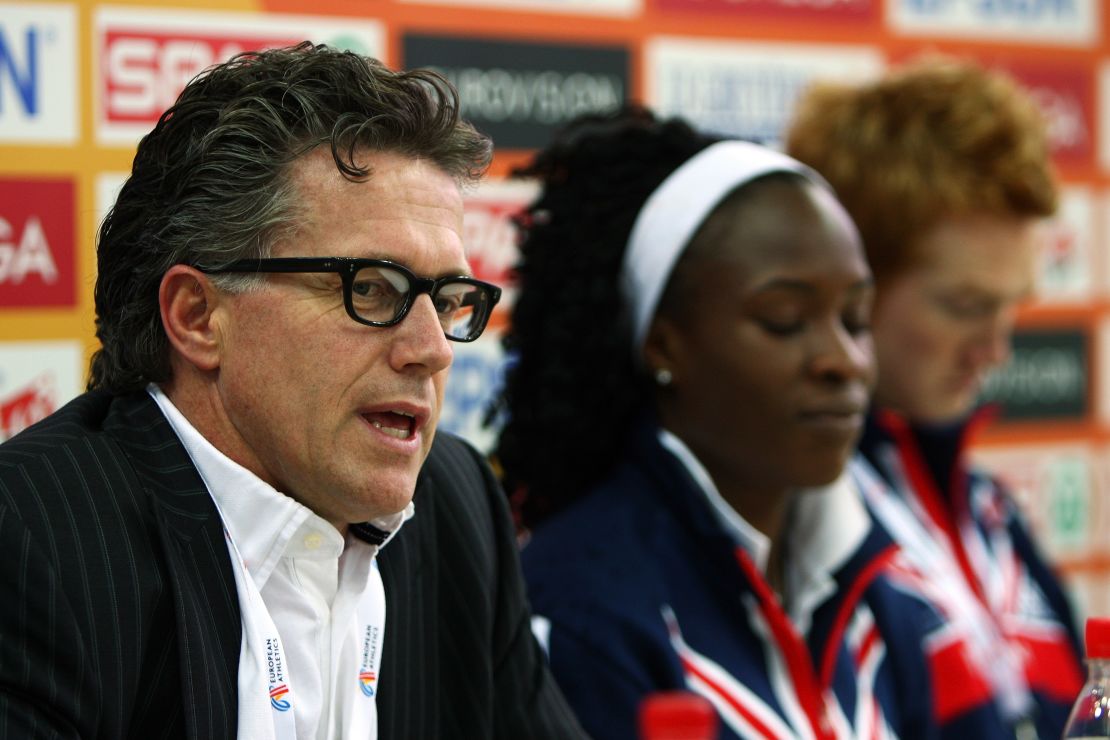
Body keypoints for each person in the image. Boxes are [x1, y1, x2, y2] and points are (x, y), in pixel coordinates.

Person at [0, 43, 585, 740]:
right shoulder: (32, 540)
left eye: (450, 299)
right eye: (372, 289)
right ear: (197, 316)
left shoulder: (456, 507)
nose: (429, 351)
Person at [493, 106, 943, 740]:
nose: (843, 361)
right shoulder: (585, 612)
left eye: (856, 319)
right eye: (785, 319)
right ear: (664, 345)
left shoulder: (879, 591)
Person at [786, 57, 1084, 738]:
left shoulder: (990, 512)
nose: (997, 350)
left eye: (1011, 308)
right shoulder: (796, 526)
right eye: (964, 305)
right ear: (848, 282)